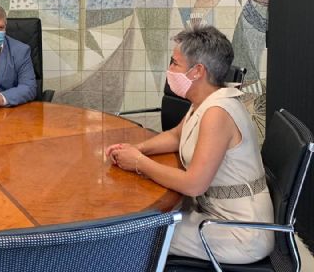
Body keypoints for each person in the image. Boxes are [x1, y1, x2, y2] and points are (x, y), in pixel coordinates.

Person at [105, 25, 273, 264]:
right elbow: (176, 136)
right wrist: (137, 150)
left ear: (197, 71)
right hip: (211, 211)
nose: (169, 70)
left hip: (239, 231)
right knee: (136, 221)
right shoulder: (205, 100)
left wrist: (139, 162)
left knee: (133, 235)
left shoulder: (217, 113)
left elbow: (194, 184)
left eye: (175, 63)